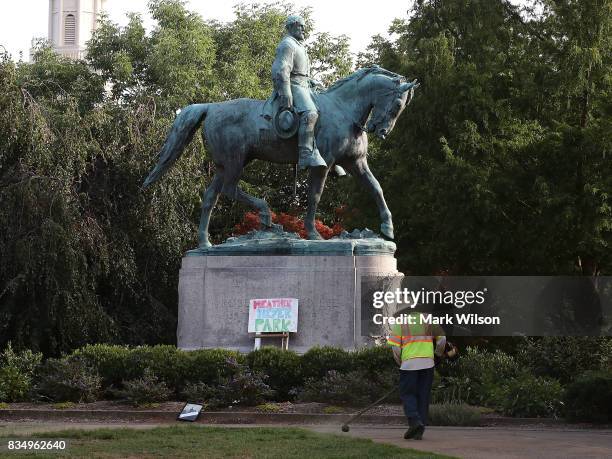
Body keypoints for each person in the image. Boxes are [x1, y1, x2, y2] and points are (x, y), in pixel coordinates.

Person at [271, 15, 327, 170]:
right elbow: (281, 71)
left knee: (327, 109)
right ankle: (305, 154)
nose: (304, 29)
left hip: (304, 85)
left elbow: (302, 73)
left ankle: (327, 152)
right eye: (300, 25)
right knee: (310, 113)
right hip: (294, 86)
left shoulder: (299, 45)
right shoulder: (287, 44)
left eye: (304, 26)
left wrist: (311, 81)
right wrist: (285, 92)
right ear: (291, 26)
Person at [387, 314, 446, 440]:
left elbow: (396, 348)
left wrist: (401, 362)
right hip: (428, 364)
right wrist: (437, 355)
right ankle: (419, 430)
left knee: (407, 394)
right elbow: (442, 340)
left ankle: (414, 421)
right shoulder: (429, 320)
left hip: (409, 364)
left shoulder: (400, 322)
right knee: (423, 396)